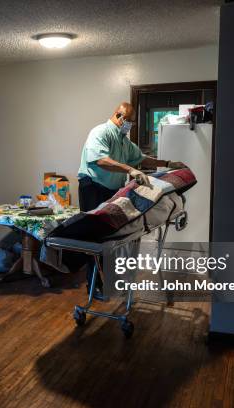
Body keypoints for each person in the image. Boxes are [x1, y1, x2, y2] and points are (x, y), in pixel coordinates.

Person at [77, 102, 185, 296]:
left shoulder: (124, 141)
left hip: (111, 190)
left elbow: (141, 158)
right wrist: (130, 169)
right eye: (129, 122)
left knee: (112, 236)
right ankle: (94, 285)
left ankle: (111, 279)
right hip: (93, 188)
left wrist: (167, 163)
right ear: (119, 116)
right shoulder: (100, 132)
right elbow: (100, 160)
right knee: (94, 238)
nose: (130, 126)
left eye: (133, 123)